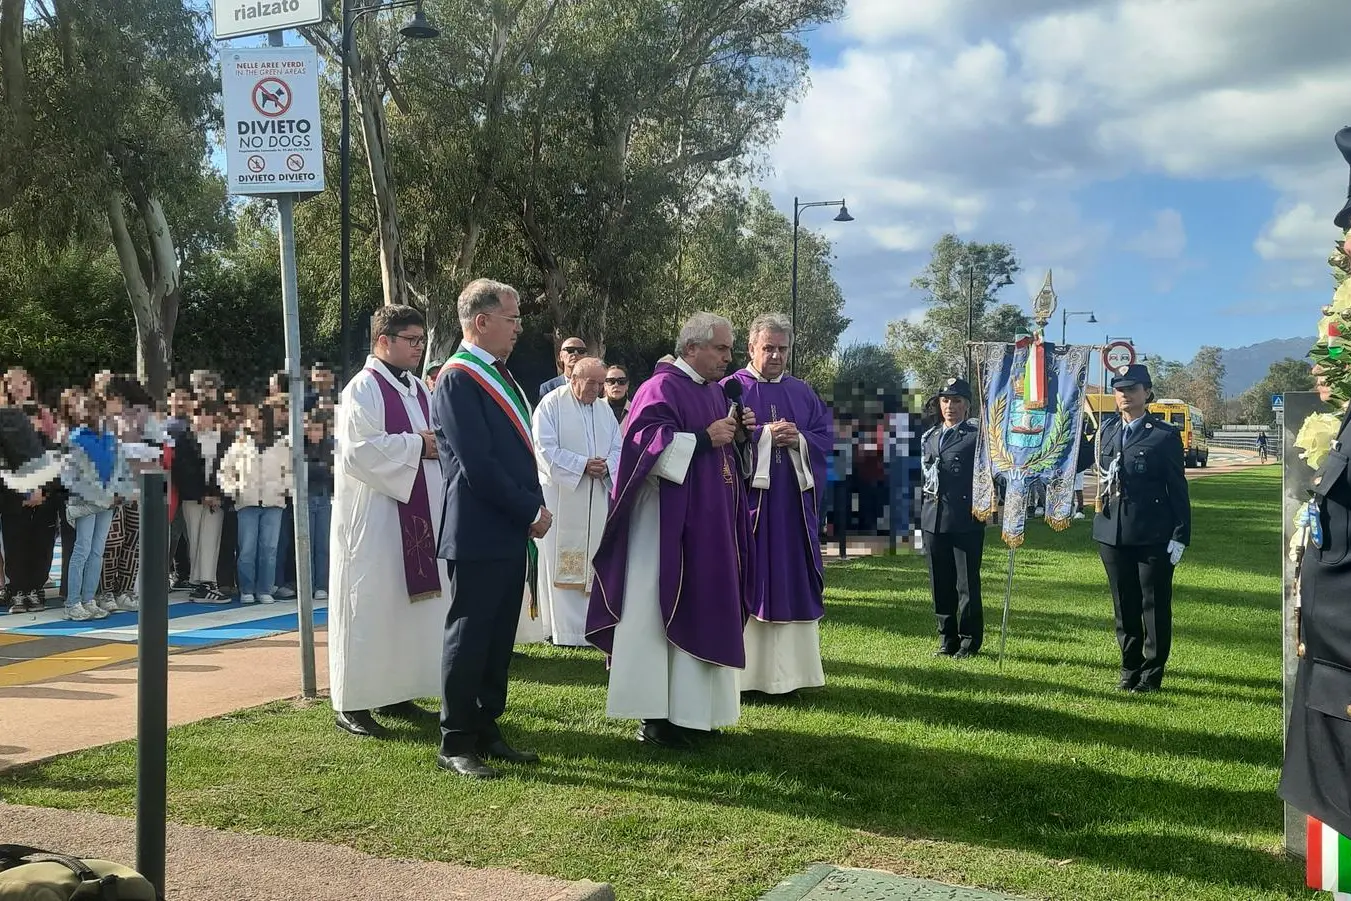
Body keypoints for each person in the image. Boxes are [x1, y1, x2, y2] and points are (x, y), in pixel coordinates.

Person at [586, 312, 755, 749]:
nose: (727, 357)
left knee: (705, 607)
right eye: (720, 348)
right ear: (691, 348)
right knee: (656, 615)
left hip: (709, 524)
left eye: (729, 348)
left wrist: (736, 438)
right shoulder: (659, 388)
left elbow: (721, 450)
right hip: (665, 529)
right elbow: (642, 447)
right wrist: (702, 438)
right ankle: (657, 719)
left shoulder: (716, 393)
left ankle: (697, 713)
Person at [434, 279, 549, 779]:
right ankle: (456, 738)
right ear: (481, 321)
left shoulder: (499, 375)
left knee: (500, 635)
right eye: (512, 317)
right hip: (479, 528)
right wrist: (530, 510)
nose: (519, 327)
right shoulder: (460, 378)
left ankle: (487, 728)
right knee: (470, 635)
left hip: (505, 527)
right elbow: (477, 464)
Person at [329, 304, 451, 739]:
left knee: (405, 608)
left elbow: (438, 438)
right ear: (384, 341)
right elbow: (360, 451)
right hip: (375, 520)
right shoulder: (362, 389)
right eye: (412, 341)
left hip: (418, 515)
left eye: (421, 341)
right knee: (369, 606)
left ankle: (398, 690)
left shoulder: (418, 388)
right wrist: (419, 444)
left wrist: (431, 444)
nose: (420, 348)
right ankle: (352, 701)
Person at [722, 313, 831, 696]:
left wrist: (799, 439)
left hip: (793, 511)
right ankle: (746, 676)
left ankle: (791, 677)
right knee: (749, 577)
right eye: (768, 347)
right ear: (751, 347)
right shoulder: (730, 388)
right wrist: (763, 438)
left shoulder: (802, 392)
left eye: (782, 349)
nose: (775, 355)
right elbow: (720, 442)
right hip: (749, 510)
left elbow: (826, 439)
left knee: (792, 582)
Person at [1087, 364, 1190, 693]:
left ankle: (1151, 674)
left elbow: (1177, 488)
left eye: (1132, 389)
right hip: (1111, 532)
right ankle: (1129, 667)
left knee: (1153, 605)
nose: (1124, 395)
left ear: (1147, 393)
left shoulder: (1163, 436)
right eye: (1119, 389)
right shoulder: (1105, 432)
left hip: (1152, 535)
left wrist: (1180, 534)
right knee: (1124, 604)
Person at [531, 357, 621, 647]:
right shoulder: (551, 405)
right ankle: (561, 630)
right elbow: (543, 449)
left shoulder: (605, 410)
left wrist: (607, 465)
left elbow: (619, 447)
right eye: (592, 382)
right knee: (559, 559)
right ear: (573, 379)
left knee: (593, 557)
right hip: (562, 497)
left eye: (601, 383)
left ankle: (591, 626)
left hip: (596, 497)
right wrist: (582, 465)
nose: (598, 389)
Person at [920, 377, 985, 658]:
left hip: (964, 519)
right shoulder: (930, 436)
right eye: (945, 400)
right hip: (933, 518)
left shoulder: (975, 437)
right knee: (940, 582)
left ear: (967, 405)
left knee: (966, 584)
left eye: (956, 401)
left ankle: (969, 641)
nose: (950, 406)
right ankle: (947, 639)